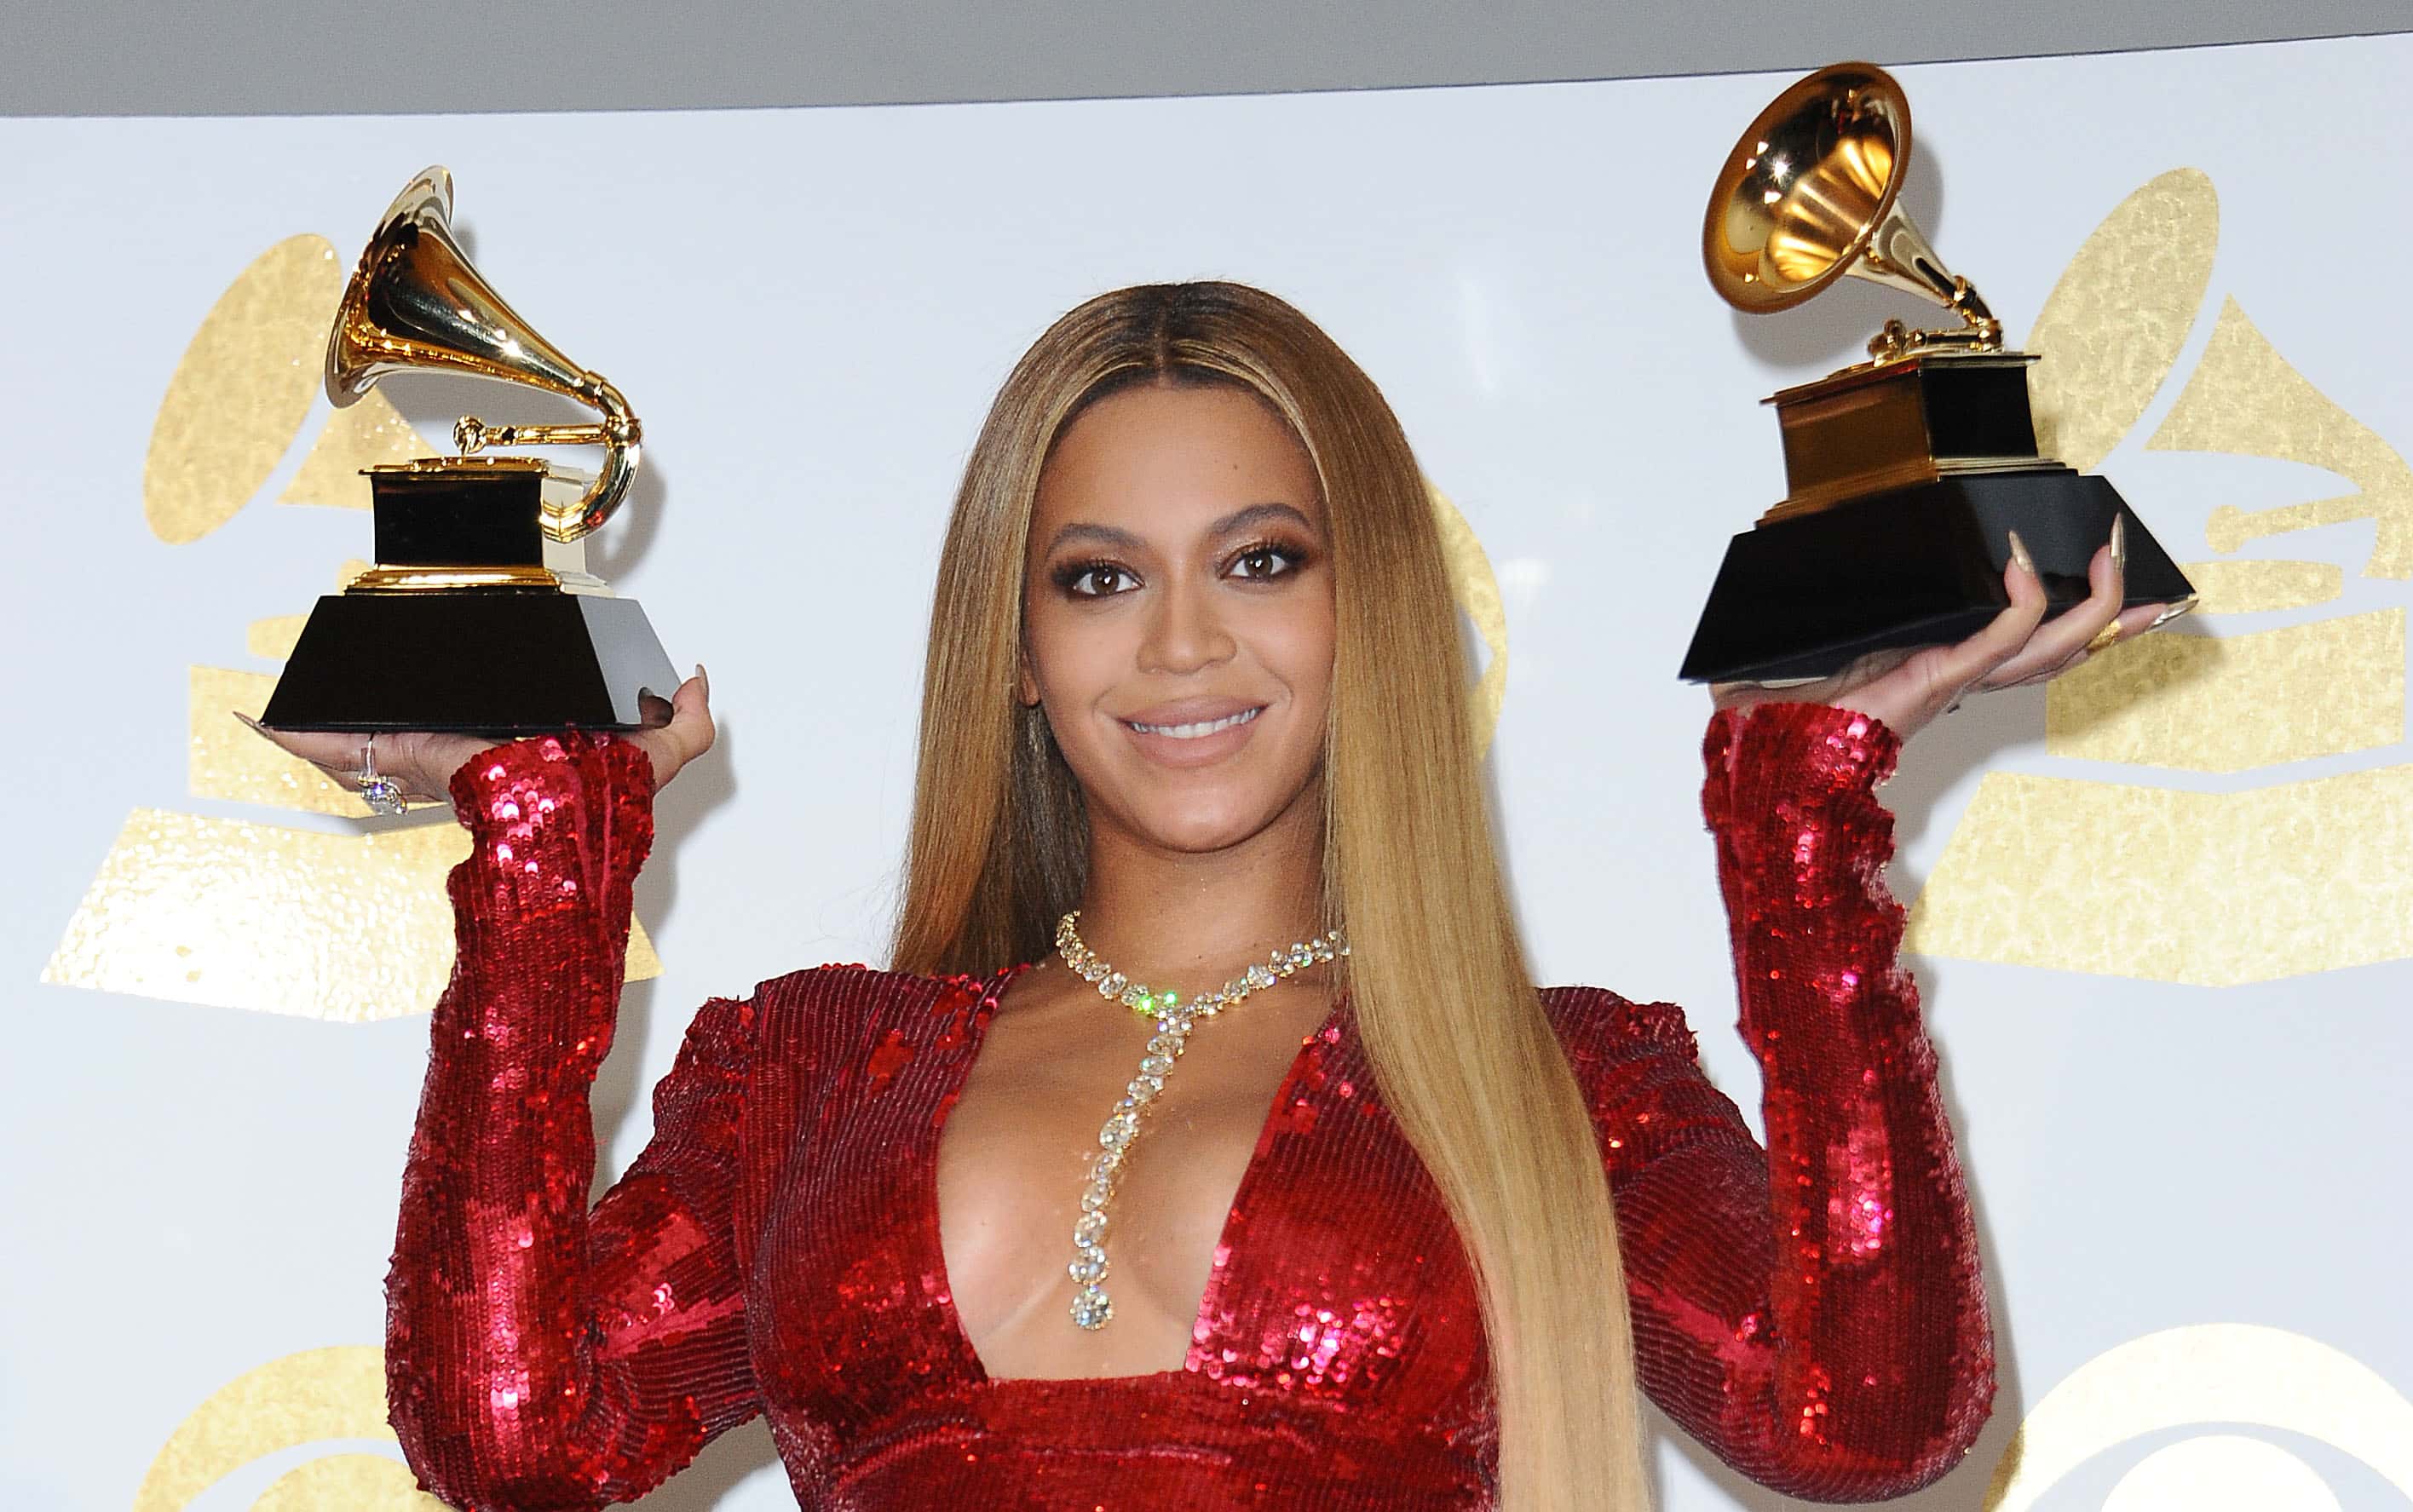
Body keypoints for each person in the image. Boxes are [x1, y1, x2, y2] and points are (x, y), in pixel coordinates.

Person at [253, 282, 2178, 1510]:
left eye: (1261, 560)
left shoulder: (1555, 1090)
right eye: (1097, 578)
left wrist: (1805, 826)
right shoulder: (808, 1073)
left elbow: (1868, 1412)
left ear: (1372, 618)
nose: (1182, 644)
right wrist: (537, 882)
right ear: (1010, 645)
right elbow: (511, 1436)